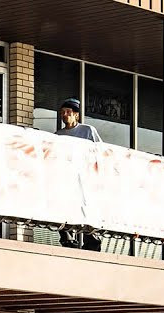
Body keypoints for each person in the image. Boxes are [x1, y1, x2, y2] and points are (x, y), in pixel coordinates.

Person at [54, 98, 102, 251]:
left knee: (85, 209)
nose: (65, 115)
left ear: (76, 115)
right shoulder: (58, 135)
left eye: (68, 112)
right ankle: (68, 240)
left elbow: (100, 151)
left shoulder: (88, 131)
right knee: (64, 208)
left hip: (84, 179)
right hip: (66, 179)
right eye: (62, 112)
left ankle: (92, 241)